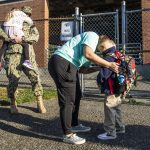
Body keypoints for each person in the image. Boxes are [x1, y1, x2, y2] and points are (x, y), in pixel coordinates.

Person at [48, 31, 119, 144]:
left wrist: (99, 68)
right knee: (68, 100)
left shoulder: (91, 49)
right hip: (63, 62)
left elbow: (83, 69)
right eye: (107, 47)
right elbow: (88, 54)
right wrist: (108, 64)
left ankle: (74, 124)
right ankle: (68, 134)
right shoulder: (93, 36)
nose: (105, 51)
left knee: (77, 95)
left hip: (71, 65)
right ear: (104, 40)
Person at [0, 6, 46, 114]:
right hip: (12, 55)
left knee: (35, 77)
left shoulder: (30, 24)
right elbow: (1, 32)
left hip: (29, 56)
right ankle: (13, 103)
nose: (27, 15)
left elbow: (36, 36)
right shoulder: (9, 21)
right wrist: (9, 38)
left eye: (28, 14)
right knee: (13, 80)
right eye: (25, 13)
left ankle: (39, 101)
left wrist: (23, 39)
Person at [96, 35, 125, 140]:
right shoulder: (118, 54)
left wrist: (99, 81)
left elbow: (103, 75)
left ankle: (110, 133)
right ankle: (120, 127)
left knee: (109, 109)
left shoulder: (108, 58)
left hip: (111, 88)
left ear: (102, 48)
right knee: (117, 108)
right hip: (119, 87)